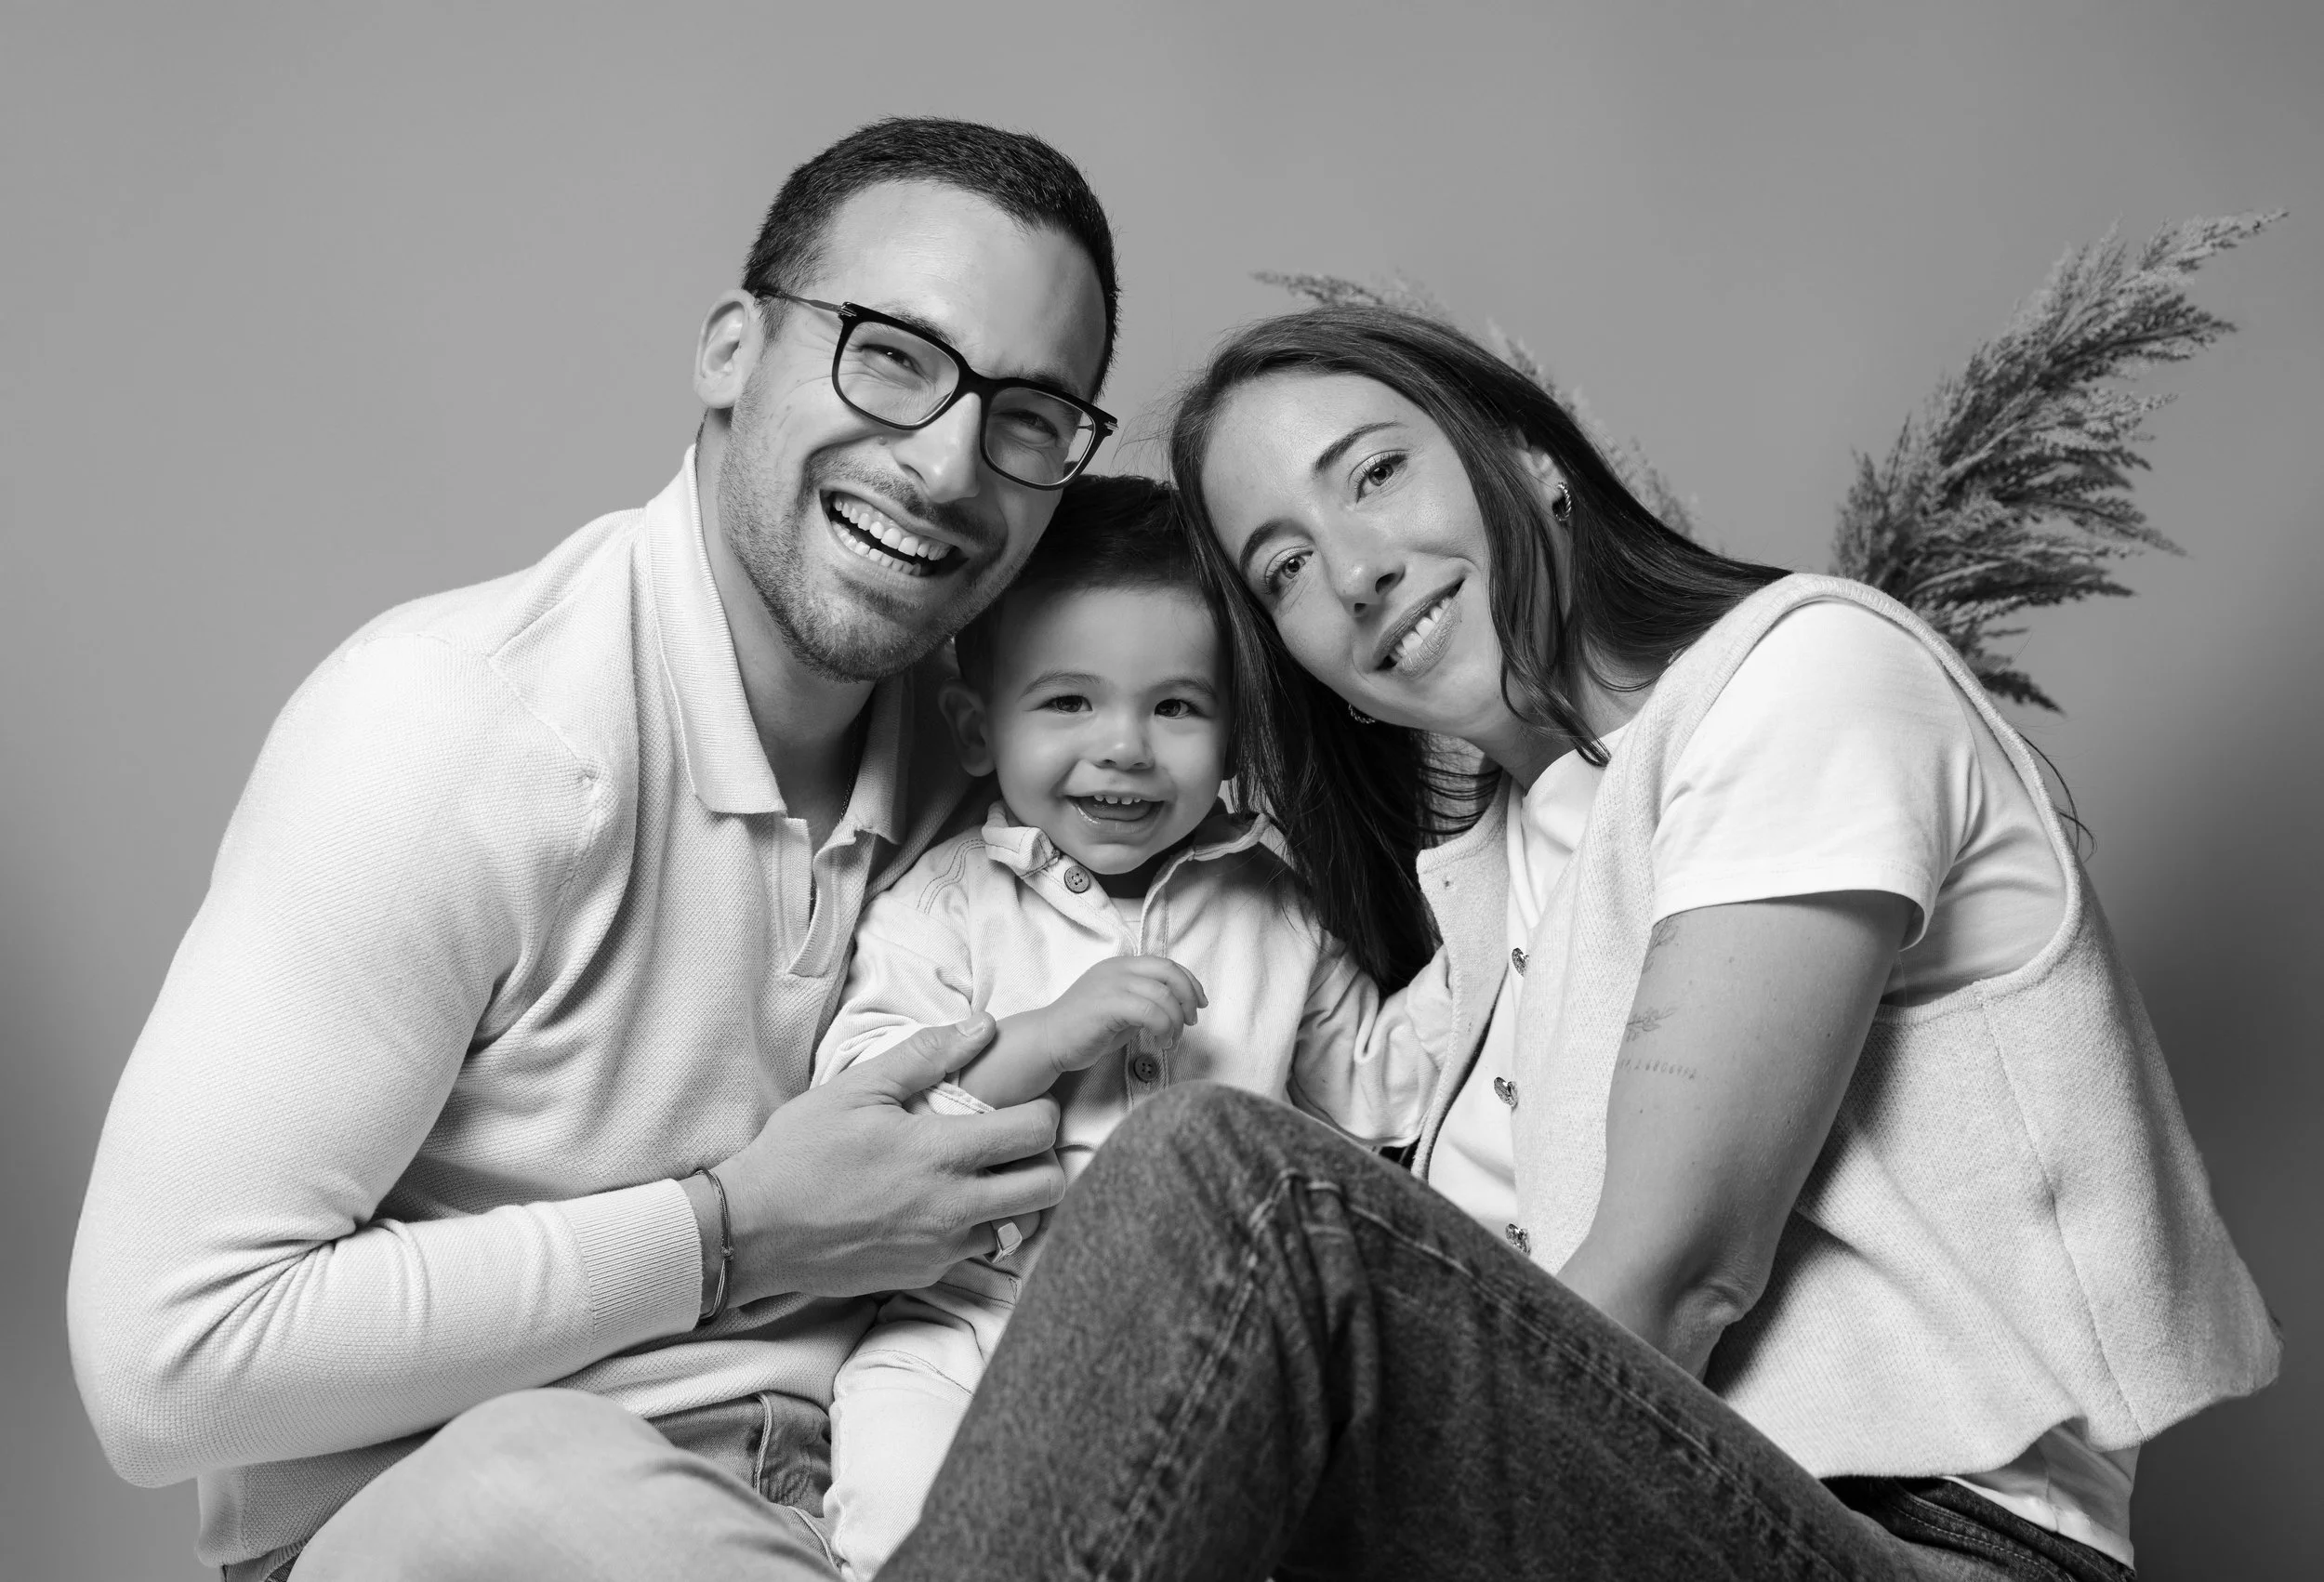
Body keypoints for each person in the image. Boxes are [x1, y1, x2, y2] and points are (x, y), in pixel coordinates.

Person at [862, 305, 2281, 1581]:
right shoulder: (1492, 887)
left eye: (1375, 473)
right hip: (1656, 1512)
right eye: (1284, 566)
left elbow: (1675, 1282)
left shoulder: (1805, 680)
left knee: (1219, 1174)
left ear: (1530, 459)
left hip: (1919, 1539)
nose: (1352, 570)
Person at [66, 116, 1125, 1581]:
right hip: (467, 1524)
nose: (948, 465)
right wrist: (731, 1232)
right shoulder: (455, 730)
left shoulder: (1007, 759)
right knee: (533, 1477)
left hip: (880, 1507)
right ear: (730, 353)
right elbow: (165, 1365)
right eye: (889, 354)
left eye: (1028, 418)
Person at [812, 474, 1444, 1575]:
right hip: (966, 1328)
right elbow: (875, 1115)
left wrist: (1502, 899)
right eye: (1068, 703)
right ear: (976, 725)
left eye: (1176, 706)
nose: (1125, 748)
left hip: (1204, 1341)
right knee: (896, 1510)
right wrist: (1049, 1035)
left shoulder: (1278, 907)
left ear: (1233, 727)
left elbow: (1379, 1093)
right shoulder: (943, 906)